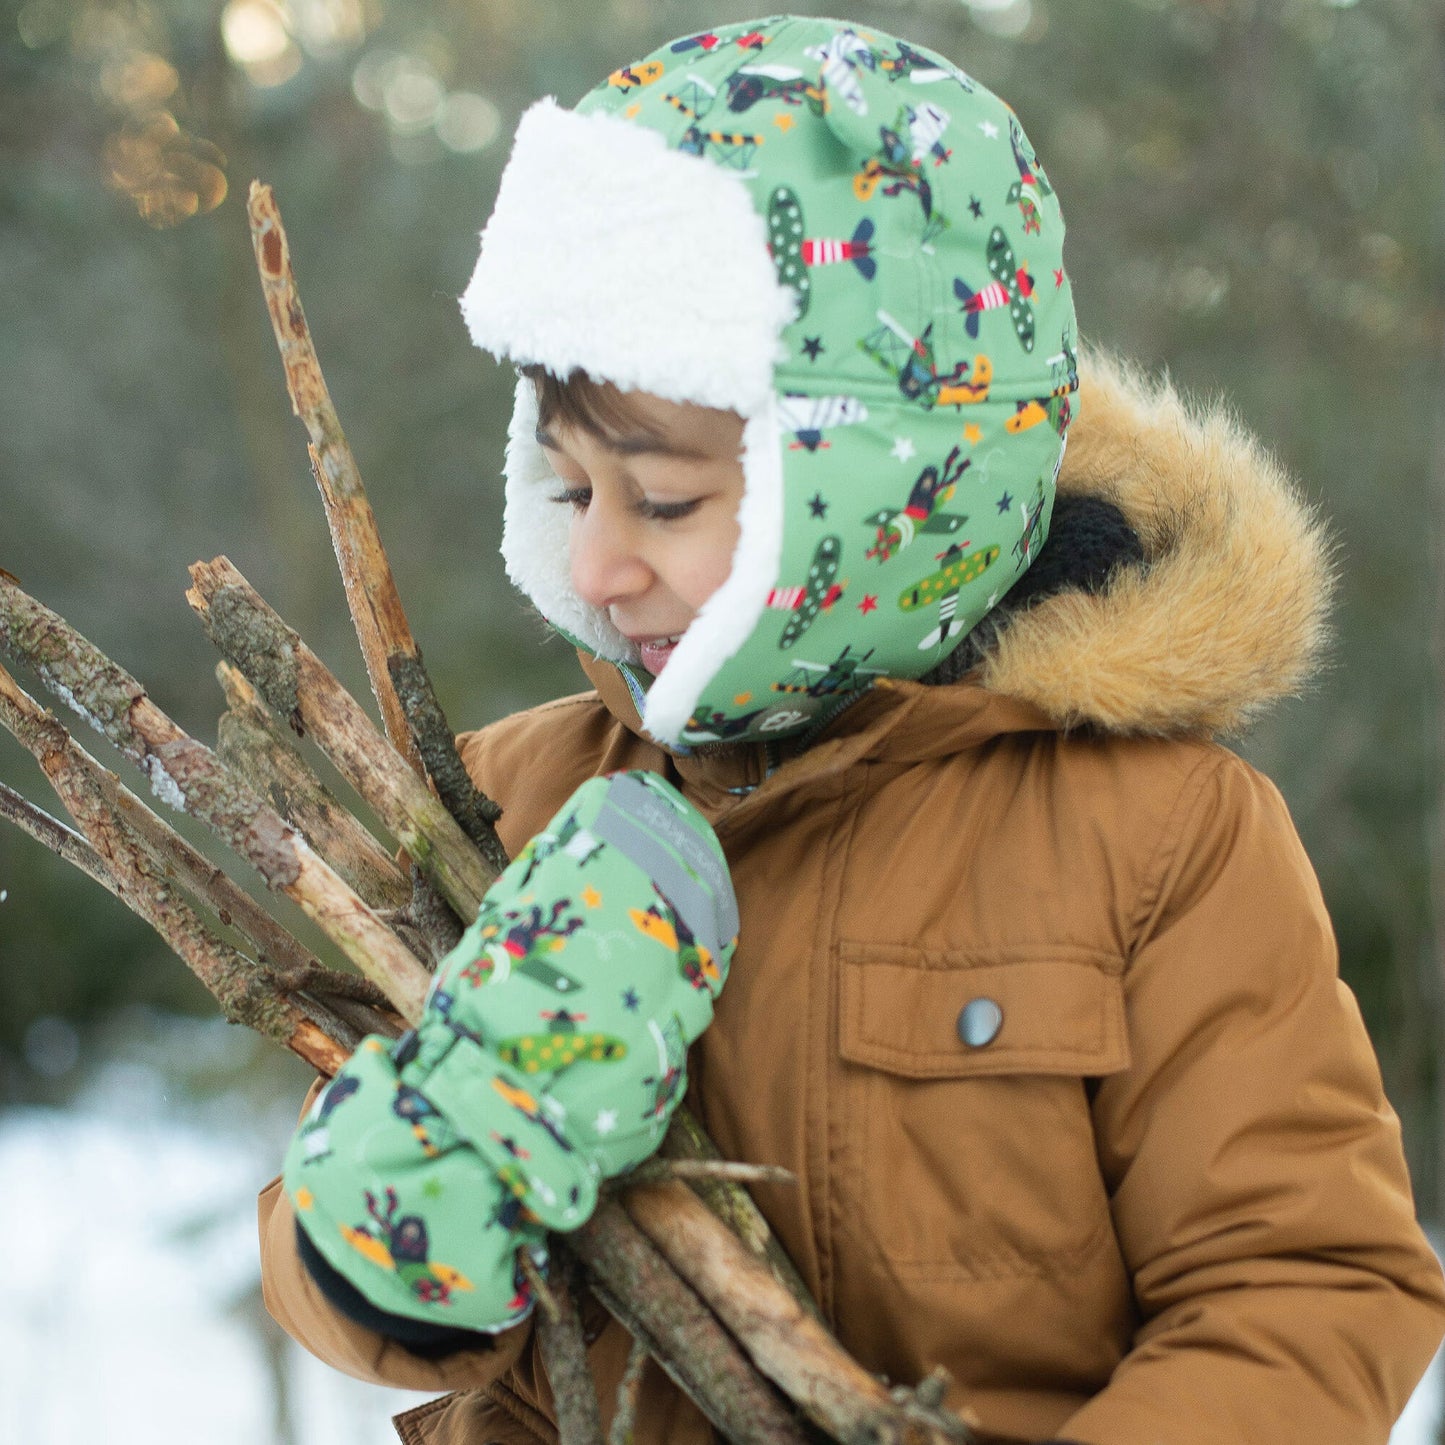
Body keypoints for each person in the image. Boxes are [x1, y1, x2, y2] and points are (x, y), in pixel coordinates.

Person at [257, 15, 1445, 1444]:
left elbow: (1307, 1286)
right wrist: (415, 1197)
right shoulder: (508, 805)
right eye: (570, 493)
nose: (595, 569)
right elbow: (329, 1278)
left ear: (873, 493)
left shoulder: (1152, 837)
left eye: (666, 501)